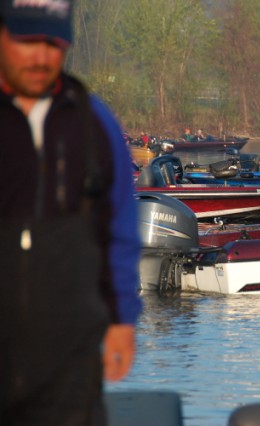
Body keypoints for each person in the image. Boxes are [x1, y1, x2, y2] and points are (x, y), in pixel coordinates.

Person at [0, 2, 142, 424]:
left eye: (54, 43)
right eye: (27, 41)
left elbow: (119, 228)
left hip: (70, 364)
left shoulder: (93, 122)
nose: (41, 57)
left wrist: (122, 320)